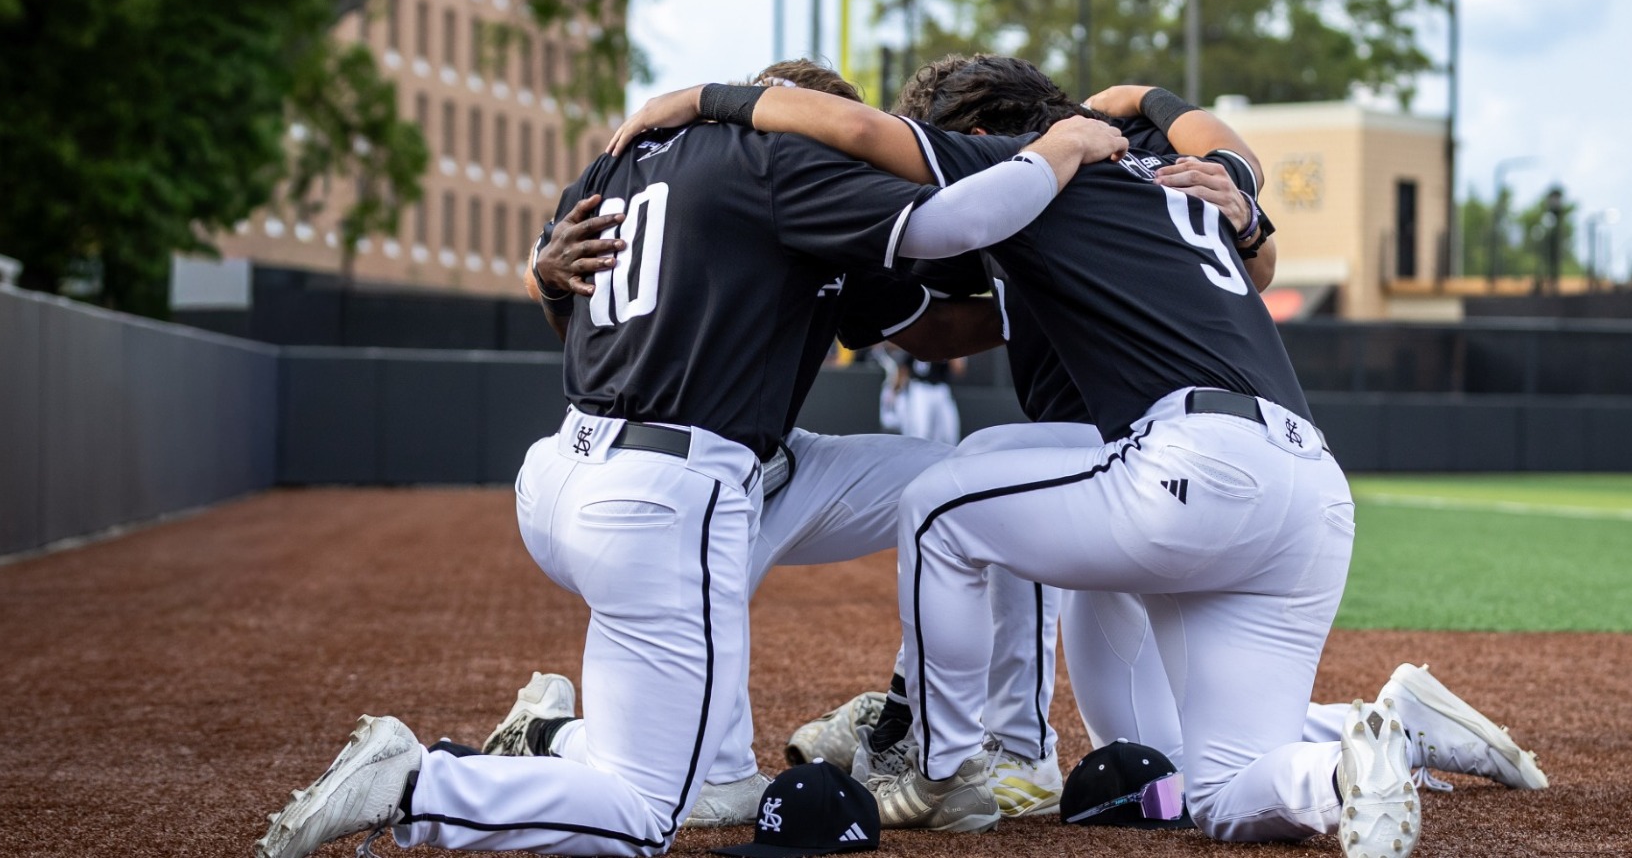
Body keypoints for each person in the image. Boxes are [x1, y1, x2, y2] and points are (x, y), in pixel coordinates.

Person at [253, 67, 1127, 858]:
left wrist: (541, 275)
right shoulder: (784, 163)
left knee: (967, 487)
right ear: (801, 121)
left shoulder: (627, 162)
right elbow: (946, 222)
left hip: (595, 469)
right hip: (672, 489)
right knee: (656, 810)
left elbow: (921, 326)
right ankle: (419, 782)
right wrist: (1064, 179)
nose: (860, 159)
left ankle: (557, 737)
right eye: (842, 134)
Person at [606, 59, 1412, 854]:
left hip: (1192, 463)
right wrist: (1143, 99)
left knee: (940, 505)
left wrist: (699, 99)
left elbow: (857, 128)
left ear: (984, 135)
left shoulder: (1041, 164)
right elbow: (1242, 189)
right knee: (1224, 794)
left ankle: (943, 767)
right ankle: (1346, 768)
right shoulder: (1176, 173)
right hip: (1310, 492)